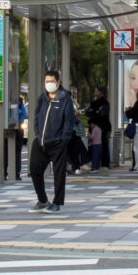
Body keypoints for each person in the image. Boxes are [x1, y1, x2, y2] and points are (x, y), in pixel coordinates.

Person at [28, 69, 79, 212]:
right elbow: (36, 116)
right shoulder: (42, 98)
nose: (49, 84)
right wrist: (37, 134)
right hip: (41, 142)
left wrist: (64, 138)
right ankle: (42, 200)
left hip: (58, 143)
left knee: (59, 174)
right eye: (47, 82)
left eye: (52, 81)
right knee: (35, 170)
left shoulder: (64, 99)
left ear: (58, 82)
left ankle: (56, 203)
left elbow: (69, 120)